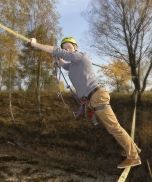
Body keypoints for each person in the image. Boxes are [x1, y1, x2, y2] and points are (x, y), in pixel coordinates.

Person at [30, 36, 141, 169]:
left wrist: (35, 45)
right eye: (64, 48)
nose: (66, 49)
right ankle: (132, 148)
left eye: (69, 47)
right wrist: (57, 60)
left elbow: (56, 51)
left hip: (97, 95)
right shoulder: (73, 65)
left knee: (113, 128)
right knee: (113, 127)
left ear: (75, 48)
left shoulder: (80, 57)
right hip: (93, 98)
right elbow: (64, 65)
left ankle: (133, 156)